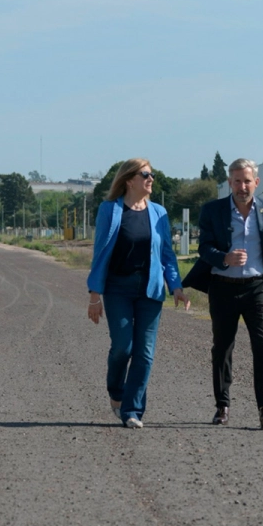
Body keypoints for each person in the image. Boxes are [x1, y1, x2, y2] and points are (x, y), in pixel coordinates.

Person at [182, 158, 263, 429]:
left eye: (247, 181)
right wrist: (225, 257)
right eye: (237, 181)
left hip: (257, 287)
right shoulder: (212, 211)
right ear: (229, 183)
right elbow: (204, 248)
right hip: (223, 287)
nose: (242, 186)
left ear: (256, 183)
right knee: (223, 347)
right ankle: (222, 405)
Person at [87, 158, 190, 429]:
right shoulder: (109, 210)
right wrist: (94, 296)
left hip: (150, 289)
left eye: (152, 174)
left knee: (144, 352)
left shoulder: (159, 212)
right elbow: (99, 254)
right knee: (123, 347)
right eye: (145, 174)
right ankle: (116, 392)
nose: (151, 178)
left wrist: (176, 286)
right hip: (117, 288)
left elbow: (167, 253)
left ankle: (132, 410)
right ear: (129, 179)